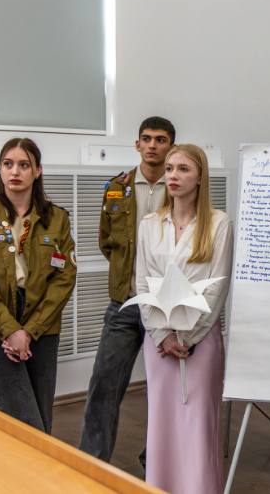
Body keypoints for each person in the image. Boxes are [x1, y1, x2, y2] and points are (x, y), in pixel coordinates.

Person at [0, 138, 76, 432]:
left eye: (24, 165)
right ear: (0, 168)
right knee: (21, 416)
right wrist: (10, 329)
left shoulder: (56, 218)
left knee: (41, 415)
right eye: (8, 164)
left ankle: (30, 464)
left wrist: (31, 330)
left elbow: (64, 277)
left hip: (42, 323)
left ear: (37, 171)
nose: (15, 171)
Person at [136, 144, 233, 494]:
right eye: (170, 169)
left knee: (198, 426)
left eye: (183, 169)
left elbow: (217, 288)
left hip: (200, 342)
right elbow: (142, 282)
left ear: (201, 177)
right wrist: (161, 335)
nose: (173, 176)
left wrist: (187, 337)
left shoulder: (219, 224)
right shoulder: (149, 224)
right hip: (159, 343)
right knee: (162, 425)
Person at [79, 116, 175, 461]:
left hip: (166, 306)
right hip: (125, 302)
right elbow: (107, 243)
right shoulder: (116, 188)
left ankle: (157, 464)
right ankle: (92, 461)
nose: (152, 145)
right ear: (137, 144)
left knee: (165, 390)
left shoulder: (179, 186)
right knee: (103, 383)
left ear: (171, 147)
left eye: (160, 140)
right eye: (146, 139)